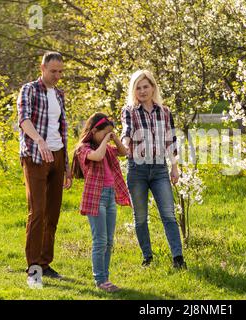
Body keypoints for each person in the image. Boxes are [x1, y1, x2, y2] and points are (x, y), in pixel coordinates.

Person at [121, 70, 187, 269]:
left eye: (145, 86)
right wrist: (125, 144)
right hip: (137, 169)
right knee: (140, 217)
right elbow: (127, 131)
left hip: (159, 169)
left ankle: (178, 258)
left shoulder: (164, 112)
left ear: (153, 88)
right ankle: (147, 257)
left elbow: (171, 141)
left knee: (168, 214)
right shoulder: (129, 111)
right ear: (134, 90)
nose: (142, 91)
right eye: (138, 88)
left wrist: (174, 167)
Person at [17, 51, 72, 288]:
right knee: (37, 212)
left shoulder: (59, 94)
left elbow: (63, 130)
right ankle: (34, 269)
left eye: (61, 71)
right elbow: (24, 120)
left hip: (57, 155)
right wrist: (39, 140)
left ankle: (46, 264)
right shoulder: (29, 89)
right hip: (36, 157)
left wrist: (67, 165)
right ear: (42, 68)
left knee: (52, 213)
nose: (57, 76)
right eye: (53, 71)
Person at [72, 113, 131, 292]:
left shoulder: (106, 147)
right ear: (94, 131)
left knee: (109, 241)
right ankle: (100, 279)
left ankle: (105, 277)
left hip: (109, 196)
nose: (107, 137)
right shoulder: (83, 148)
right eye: (104, 133)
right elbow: (97, 156)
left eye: (109, 134)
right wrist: (106, 140)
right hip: (95, 198)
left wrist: (113, 137)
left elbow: (124, 152)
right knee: (100, 240)